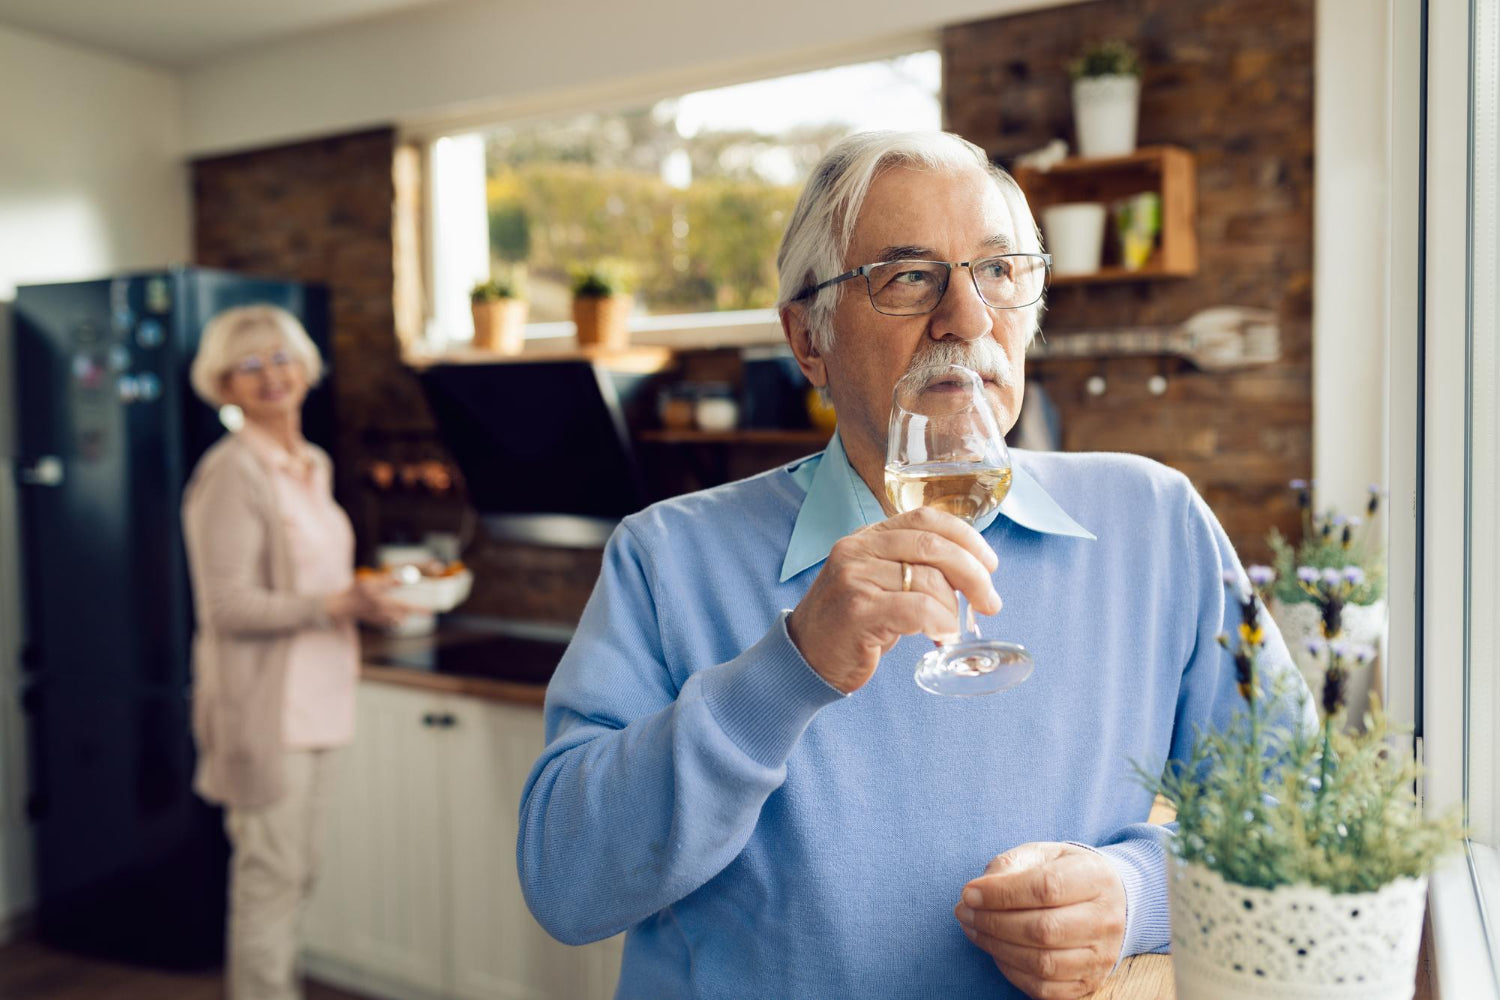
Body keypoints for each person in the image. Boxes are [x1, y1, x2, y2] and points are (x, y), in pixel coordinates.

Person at [517, 131, 1310, 999]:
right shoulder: (666, 556)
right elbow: (566, 885)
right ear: (808, 340)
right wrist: (790, 668)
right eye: (907, 277)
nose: (967, 319)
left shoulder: (1157, 525)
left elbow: (1302, 810)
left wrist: (1138, 892)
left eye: (999, 271)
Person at [182, 305, 412, 1000]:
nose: (270, 376)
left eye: (280, 358)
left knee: (297, 873)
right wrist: (338, 605)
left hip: (319, 702)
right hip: (265, 714)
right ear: (224, 385)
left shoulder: (310, 463)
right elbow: (225, 607)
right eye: (247, 366)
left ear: (305, 367)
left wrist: (362, 601)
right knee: (270, 883)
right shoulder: (231, 474)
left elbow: (314, 585)